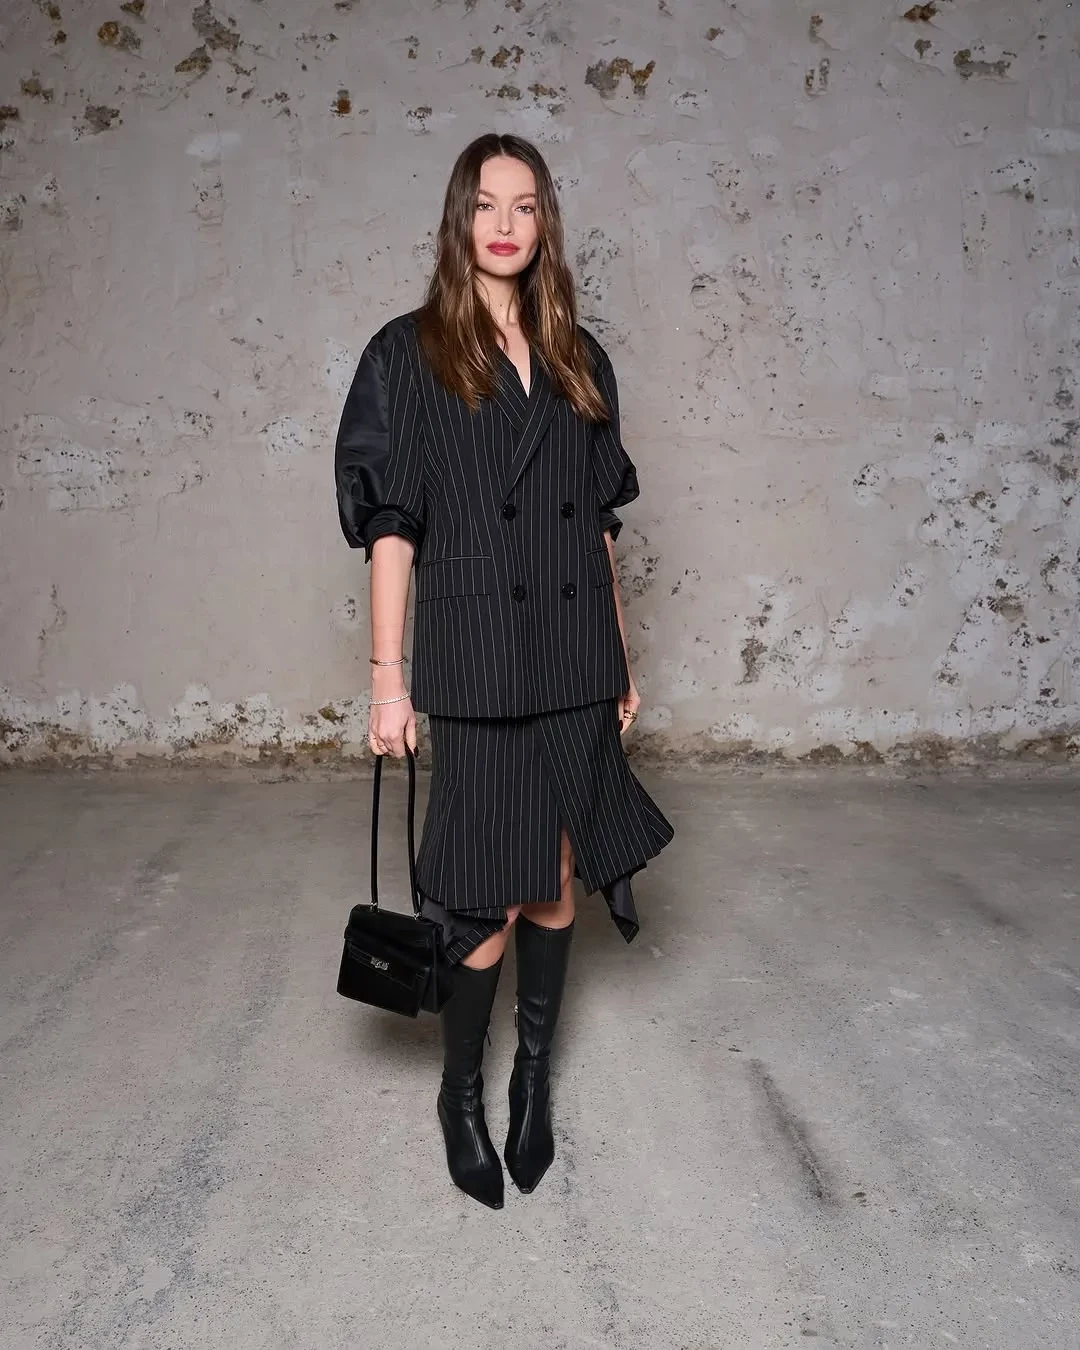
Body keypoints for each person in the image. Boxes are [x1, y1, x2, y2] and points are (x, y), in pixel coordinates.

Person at [334, 132, 674, 1210]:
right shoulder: (408, 352)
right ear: (459, 216)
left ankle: (533, 1078)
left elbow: (598, 524)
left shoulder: (579, 354)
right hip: (478, 654)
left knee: (557, 874)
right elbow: (392, 527)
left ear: (545, 223)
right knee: (482, 892)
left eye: (525, 206)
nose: (505, 224)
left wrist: (621, 654)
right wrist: (387, 680)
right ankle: (461, 1096)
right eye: (486, 203)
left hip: (574, 652)